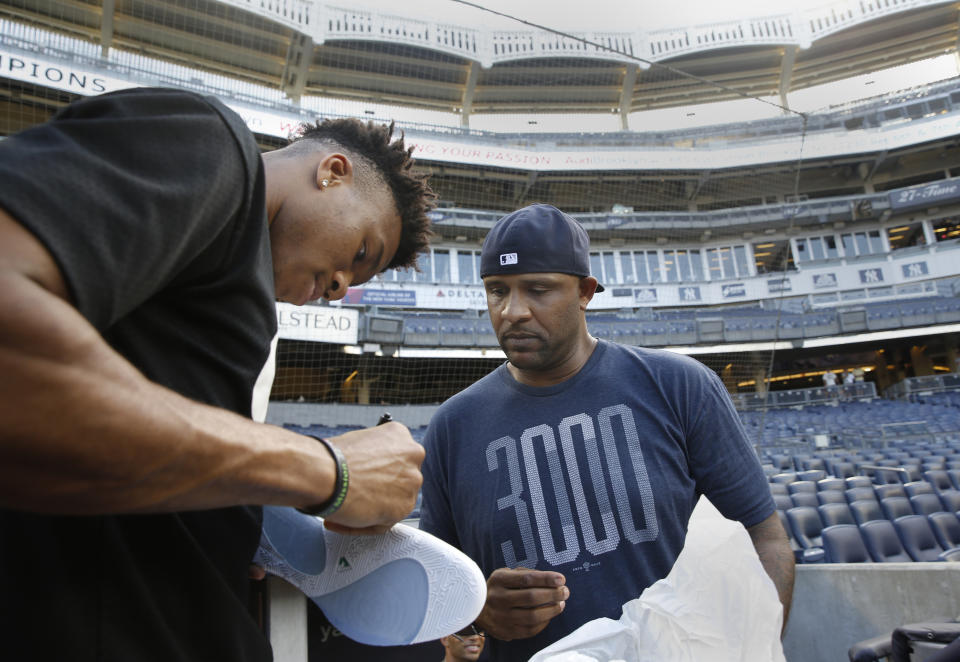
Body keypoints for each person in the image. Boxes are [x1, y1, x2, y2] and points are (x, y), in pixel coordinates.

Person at [0, 87, 434, 661]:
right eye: (360, 252)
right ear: (332, 172)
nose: (339, 287)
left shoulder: (242, 311)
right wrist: (329, 471)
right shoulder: (212, 143)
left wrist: (239, 518)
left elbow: (147, 454)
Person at [419, 204, 795, 661]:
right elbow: (439, 588)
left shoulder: (678, 385)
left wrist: (754, 647)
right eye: (497, 291)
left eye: (538, 290)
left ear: (585, 292)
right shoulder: (452, 427)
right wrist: (475, 611)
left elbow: (765, 538)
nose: (513, 311)